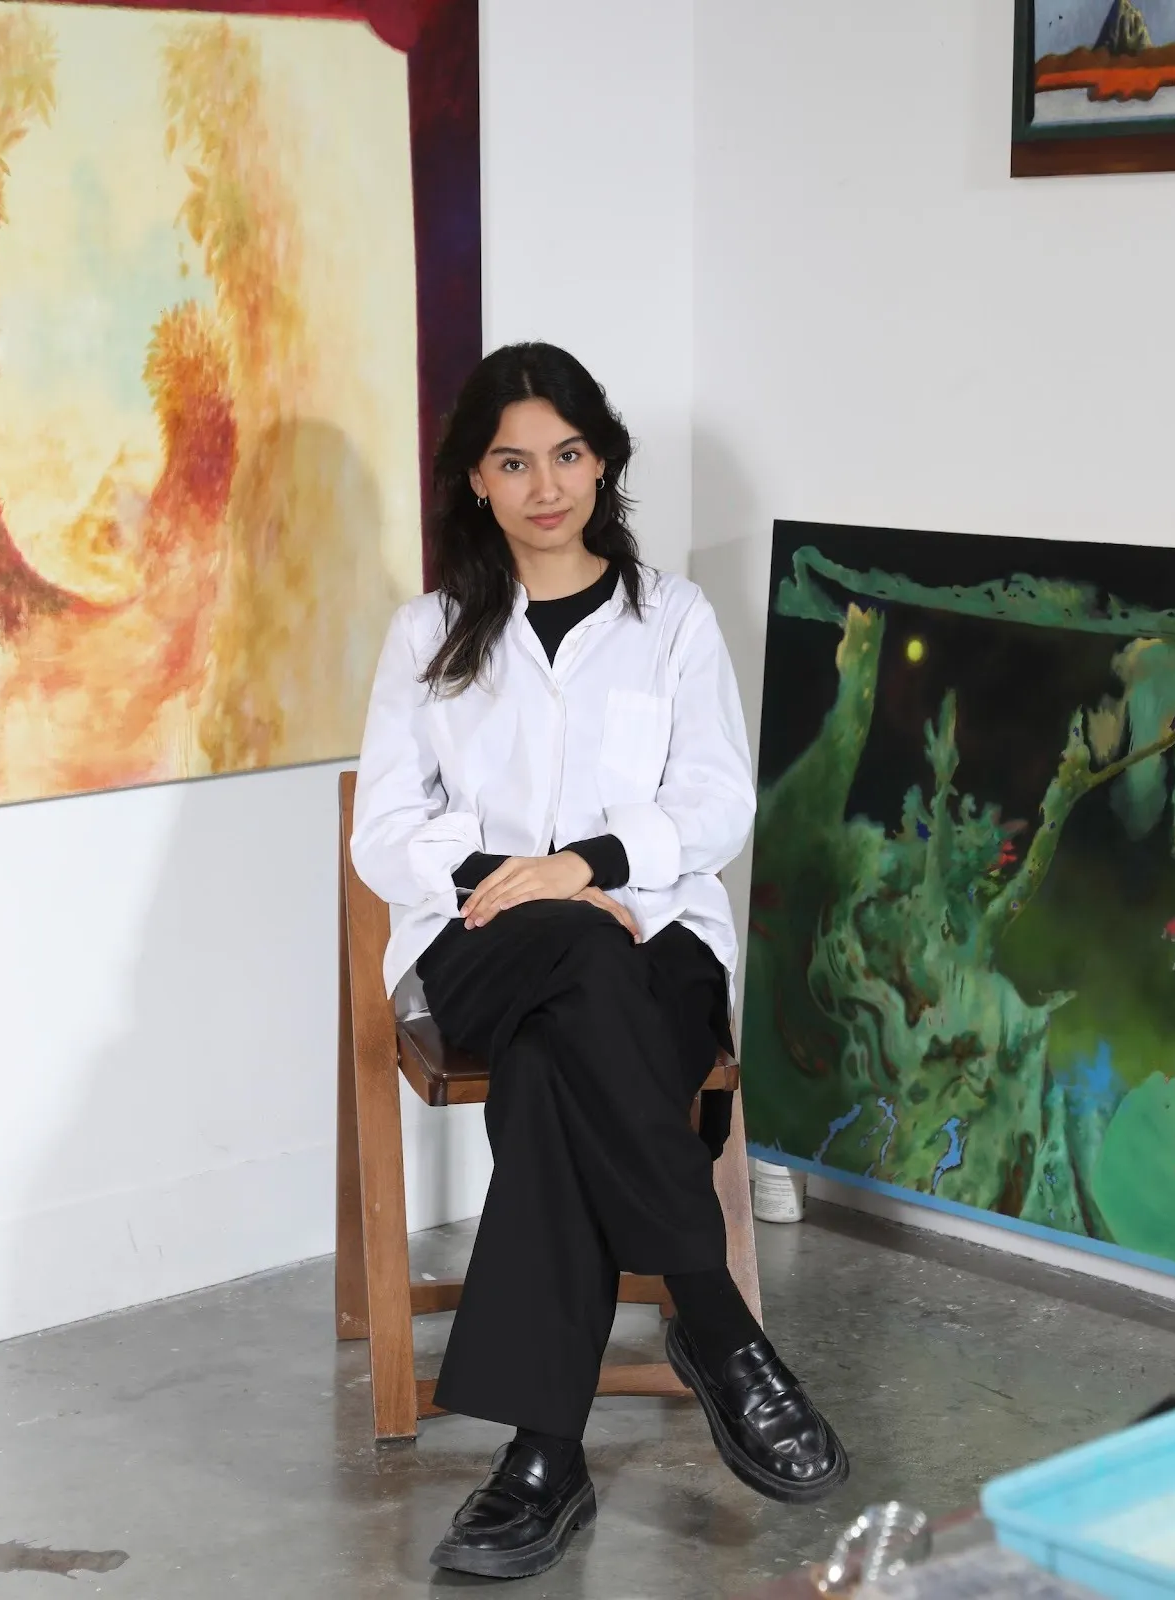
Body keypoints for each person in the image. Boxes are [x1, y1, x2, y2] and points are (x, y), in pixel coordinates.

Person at [351, 342, 847, 1580]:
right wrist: (521, 883)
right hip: (477, 947)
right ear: (476, 479)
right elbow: (385, 832)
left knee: (551, 1070)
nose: (544, 485)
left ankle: (541, 1460)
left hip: (655, 945)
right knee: (574, 950)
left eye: (566, 454)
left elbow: (718, 802)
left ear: (603, 460)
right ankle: (714, 1318)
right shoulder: (426, 635)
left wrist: (586, 866)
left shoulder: (670, 620)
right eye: (513, 461)